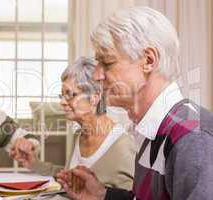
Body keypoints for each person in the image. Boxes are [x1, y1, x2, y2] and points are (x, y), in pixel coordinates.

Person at [57, 6, 213, 200]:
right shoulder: (152, 130)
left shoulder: (193, 138)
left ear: (148, 60)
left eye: (107, 62)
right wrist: (102, 195)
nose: (97, 75)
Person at [10, 57, 136, 190]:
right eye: (62, 95)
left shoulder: (122, 146)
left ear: (95, 97)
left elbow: (132, 196)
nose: (62, 102)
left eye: (70, 95)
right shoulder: (79, 134)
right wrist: (34, 164)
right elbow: (70, 178)